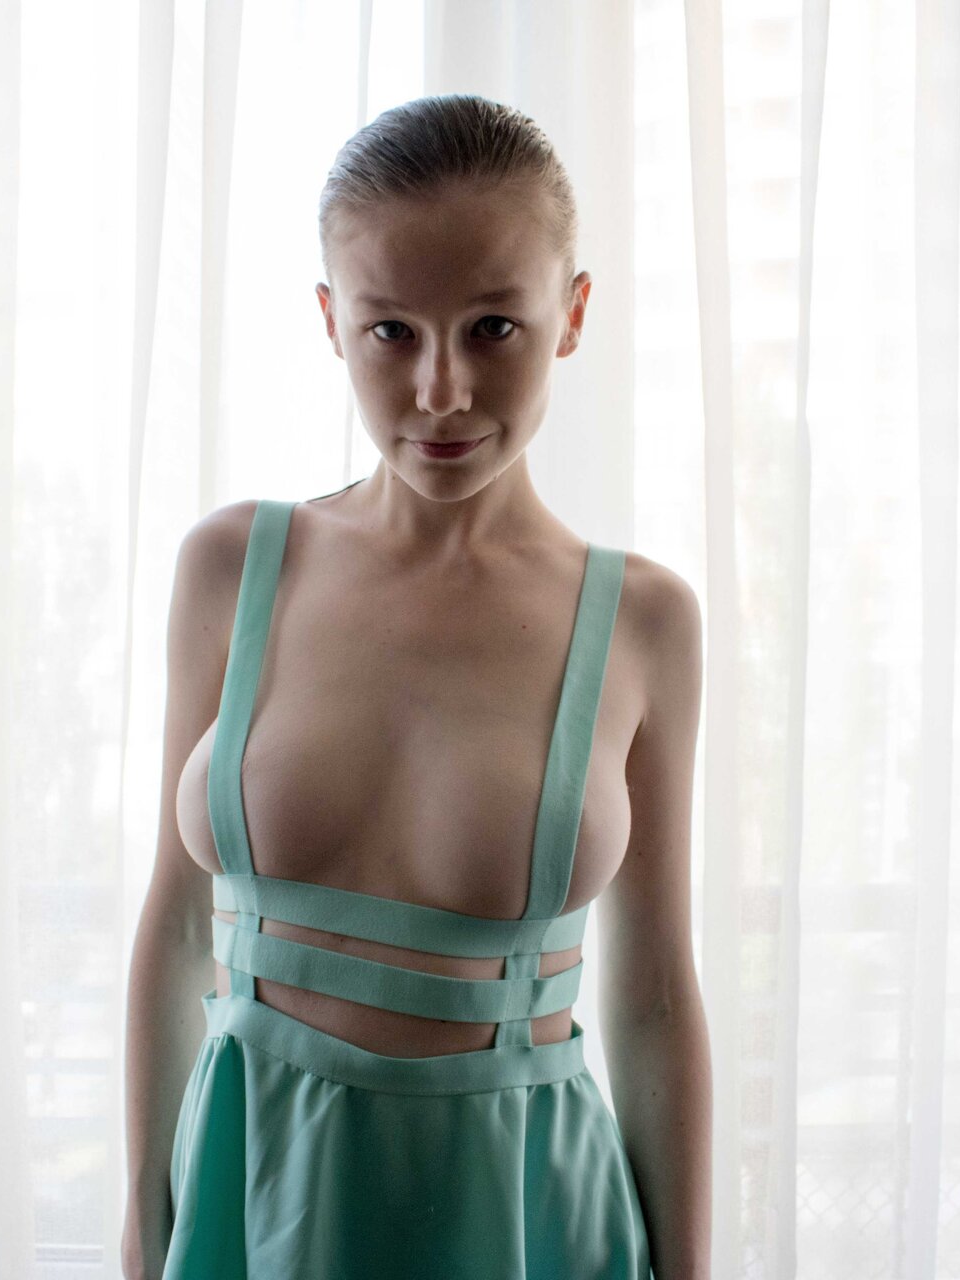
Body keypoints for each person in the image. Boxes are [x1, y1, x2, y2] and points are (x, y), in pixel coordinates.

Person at [121, 93, 710, 1279]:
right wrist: (142, 1235)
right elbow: (178, 928)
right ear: (331, 322)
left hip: (528, 1220)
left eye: (494, 326)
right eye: (392, 330)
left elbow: (652, 993)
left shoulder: (644, 620)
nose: (442, 389)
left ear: (572, 314)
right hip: (252, 1206)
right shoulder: (231, 566)